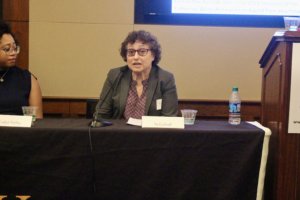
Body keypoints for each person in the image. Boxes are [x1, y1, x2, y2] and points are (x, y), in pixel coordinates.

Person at [94, 30, 178, 120]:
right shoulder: (115, 75)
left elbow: (169, 118)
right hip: (119, 132)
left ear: (153, 55)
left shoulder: (165, 79)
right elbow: (101, 114)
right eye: (131, 52)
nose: (136, 57)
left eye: (142, 51)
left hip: (151, 133)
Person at [0, 21, 43, 118]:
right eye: (7, 49)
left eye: (15, 48)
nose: (13, 53)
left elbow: (37, 122)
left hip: (19, 132)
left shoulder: (27, 79)